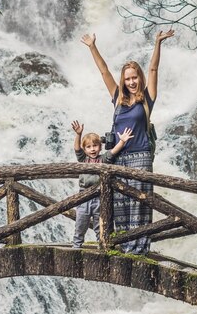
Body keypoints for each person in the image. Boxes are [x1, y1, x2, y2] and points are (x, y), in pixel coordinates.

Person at [80, 29, 175, 254]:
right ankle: (122, 245)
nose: (132, 82)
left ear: (139, 78)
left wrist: (158, 43)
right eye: (128, 78)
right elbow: (104, 72)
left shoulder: (147, 99)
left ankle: (139, 249)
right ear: (123, 81)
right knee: (120, 203)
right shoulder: (117, 99)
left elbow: (153, 68)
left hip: (141, 156)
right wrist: (93, 46)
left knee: (140, 203)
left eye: (134, 77)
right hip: (119, 157)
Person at [71, 120, 134, 249]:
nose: (92, 149)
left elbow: (113, 152)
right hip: (83, 196)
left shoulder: (103, 159)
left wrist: (122, 141)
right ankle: (76, 246)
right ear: (85, 149)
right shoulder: (83, 160)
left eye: (95, 146)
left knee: (99, 225)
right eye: (88, 147)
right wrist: (78, 134)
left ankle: (101, 245)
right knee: (80, 223)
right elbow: (77, 149)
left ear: (100, 146)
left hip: (100, 197)